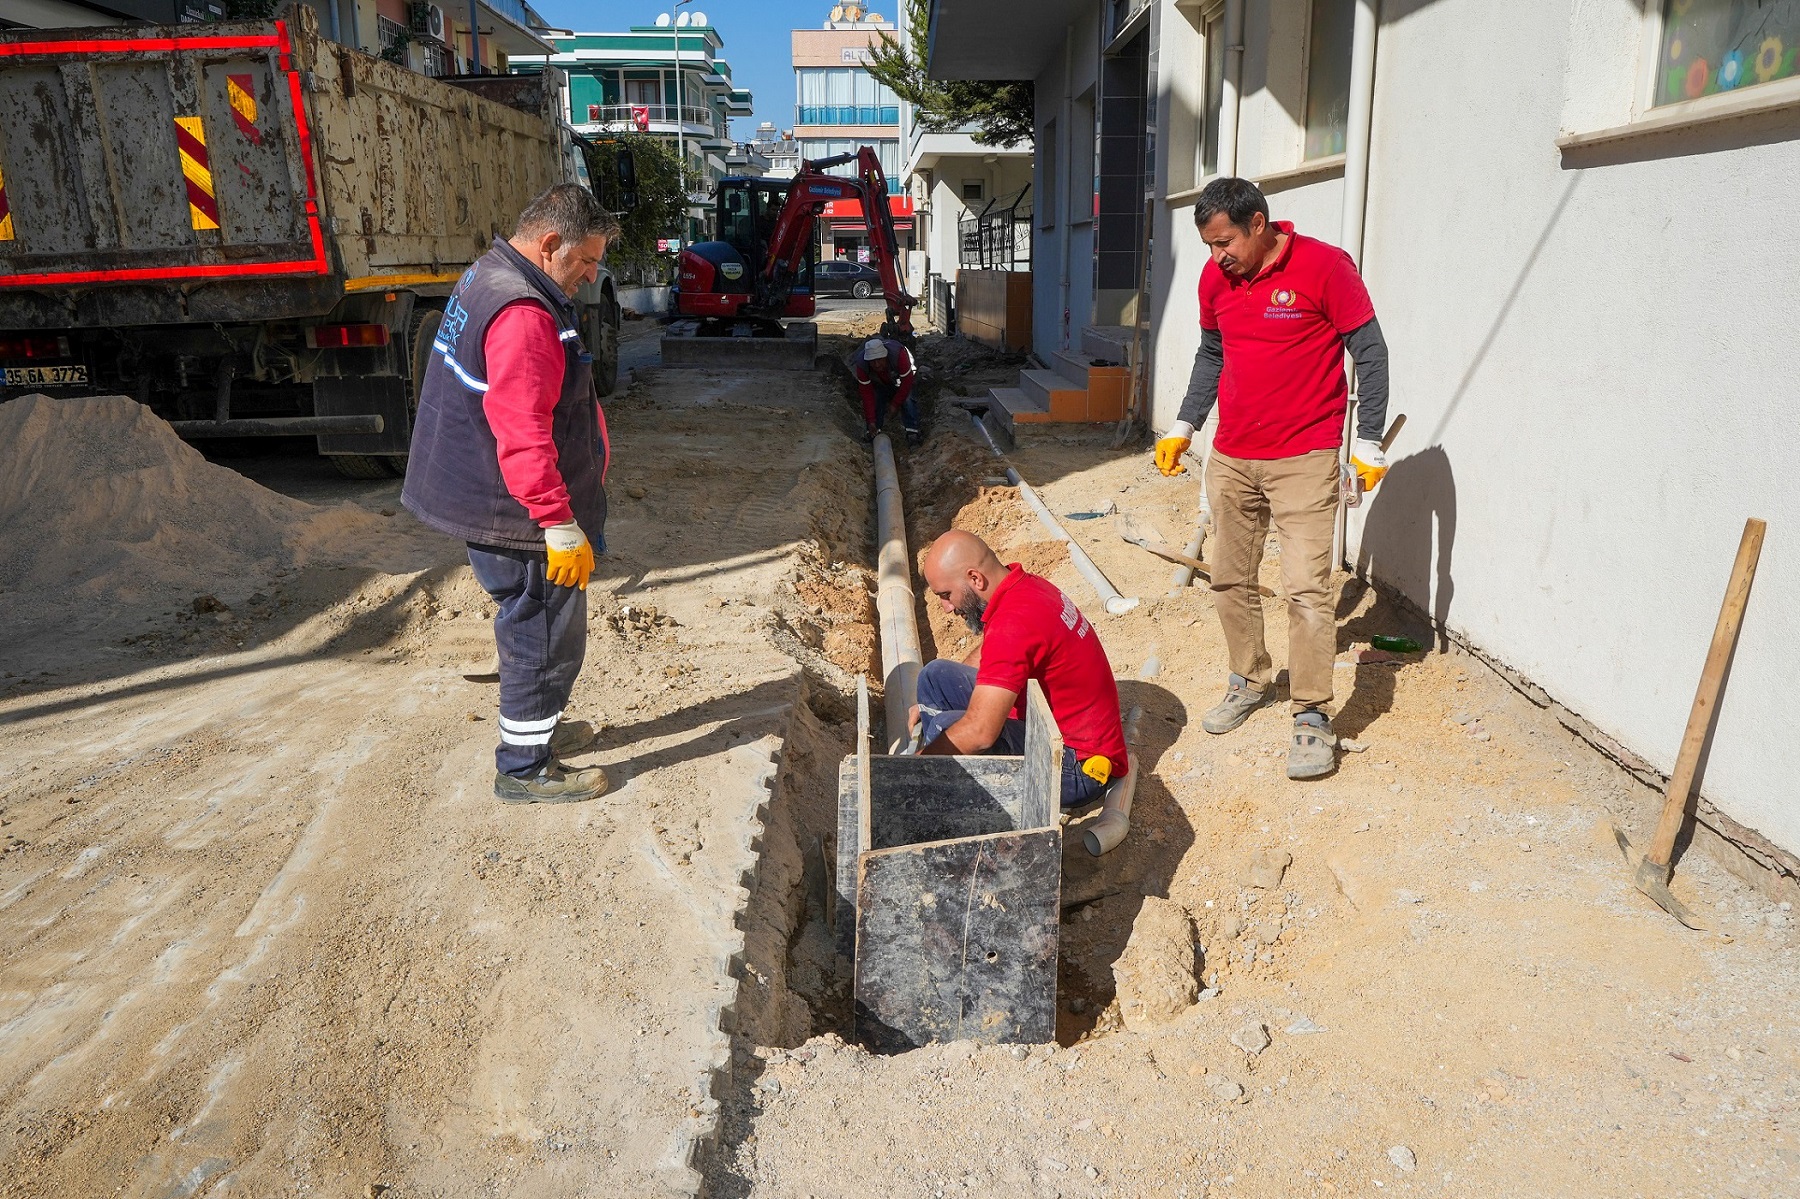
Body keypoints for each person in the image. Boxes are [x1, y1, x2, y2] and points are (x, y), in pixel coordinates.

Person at [1152, 176, 1392, 780]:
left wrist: (1367, 440)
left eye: (1225, 241)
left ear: (1259, 224)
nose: (1217, 256)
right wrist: (1185, 424)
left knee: (1308, 591)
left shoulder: (1325, 267)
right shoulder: (1217, 279)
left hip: (1304, 458)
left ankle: (1312, 715)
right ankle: (1249, 677)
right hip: (1233, 454)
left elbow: (1370, 351)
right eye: (1208, 245)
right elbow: (1213, 354)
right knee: (1230, 579)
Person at [401, 183, 620, 805]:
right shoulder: (524, 314)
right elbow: (523, 430)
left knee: (539, 629)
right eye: (584, 261)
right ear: (549, 244)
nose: (589, 275)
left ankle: (538, 731)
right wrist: (556, 519)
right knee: (543, 633)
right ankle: (524, 767)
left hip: (499, 499)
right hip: (518, 512)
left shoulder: (490, 274)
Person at [909, 530, 1128, 809]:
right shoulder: (1024, 587)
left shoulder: (1013, 624)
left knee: (947, 731)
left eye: (946, 595)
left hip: (1076, 766)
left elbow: (980, 732)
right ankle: (941, 783)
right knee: (936, 676)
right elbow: (992, 650)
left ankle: (946, 806)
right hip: (1055, 728)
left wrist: (914, 767)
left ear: (975, 578)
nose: (946, 608)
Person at [851, 335, 920, 446]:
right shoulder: (862, 365)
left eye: (879, 360)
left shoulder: (899, 355)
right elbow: (867, 395)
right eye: (873, 362)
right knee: (877, 396)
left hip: (900, 378)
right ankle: (874, 430)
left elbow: (907, 383)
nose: (877, 365)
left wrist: (895, 404)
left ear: (885, 356)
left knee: (907, 399)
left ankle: (912, 431)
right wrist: (871, 421)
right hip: (880, 382)